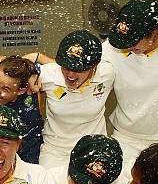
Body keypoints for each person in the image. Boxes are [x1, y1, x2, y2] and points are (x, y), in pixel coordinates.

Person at [102, 0, 158, 173]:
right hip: (125, 138)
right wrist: (38, 61)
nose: (127, 46)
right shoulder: (114, 46)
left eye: (134, 41)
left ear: (155, 33)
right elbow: (81, 67)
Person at [25, 30, 114, 168]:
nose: (70, 74)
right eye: (66, 67)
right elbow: (7, 69)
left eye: (78, 69)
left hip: (94, 150)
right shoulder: (47, 74)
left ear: (94, 67)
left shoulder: (107, 74)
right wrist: (30, 68)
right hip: (55, 151)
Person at [0, 55, 44, 164]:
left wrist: (34, 71)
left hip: (31, 156)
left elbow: (60, 67)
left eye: (5, 88)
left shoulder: (35, 88)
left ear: (21, 90)